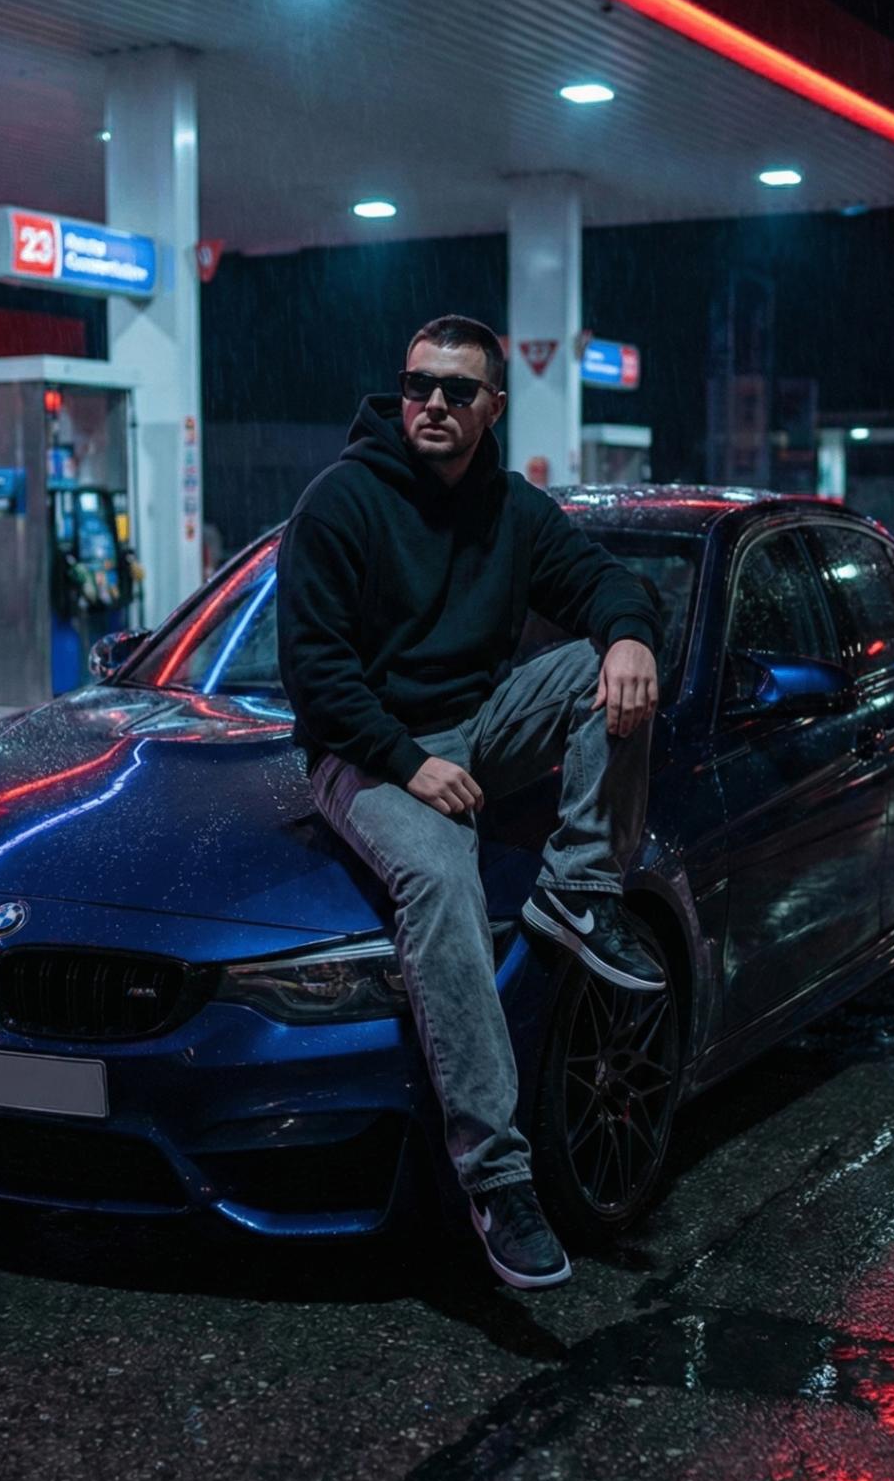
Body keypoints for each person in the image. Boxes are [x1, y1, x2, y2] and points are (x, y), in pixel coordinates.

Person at [276, 314, 663, 1291]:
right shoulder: (339, 503)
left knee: (612, 671)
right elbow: (315, 678)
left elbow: (605, 581)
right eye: (417, 385)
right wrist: (409, 763)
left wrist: (625, 634)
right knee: (444, 883)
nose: (433, 404)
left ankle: (580, 889)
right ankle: (497, 1178)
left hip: (475, 723)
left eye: (456, 390)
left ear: (494, 406)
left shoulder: (514, 510)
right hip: (361, 751)